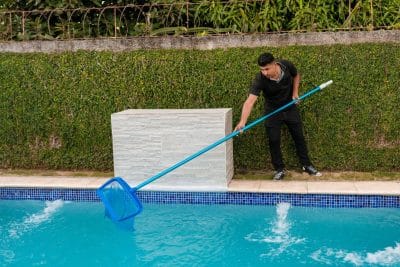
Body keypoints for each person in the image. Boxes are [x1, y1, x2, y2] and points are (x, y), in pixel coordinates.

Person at [234, 52, 321, 180]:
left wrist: (295, 93)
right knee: (273, 140)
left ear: (274, 64)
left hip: (289, 107)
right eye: (262, 69)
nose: (264, 72)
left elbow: (296, 75)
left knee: (298, 137)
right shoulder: (260, 79)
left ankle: (306, 165)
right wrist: (242, 122)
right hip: (272, 111)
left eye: (267, 69)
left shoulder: (286, 65)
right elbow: (250, 101)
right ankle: (279, 169)